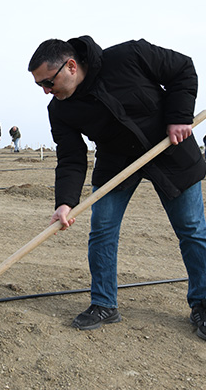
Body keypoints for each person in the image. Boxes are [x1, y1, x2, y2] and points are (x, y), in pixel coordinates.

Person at [28, 36, 206, 339]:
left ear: (70, 66)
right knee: (102, 230)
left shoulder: (129, 55)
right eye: (39, 85)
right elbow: (71, 158)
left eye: (48, 82)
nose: (45, 90)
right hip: (116, 163)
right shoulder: (59, 110)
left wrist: (178, 117)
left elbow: (182, 69)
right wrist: (65, 202)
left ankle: (202, 303)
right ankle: (104, 304)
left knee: (192, 229)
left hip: (171, 150)